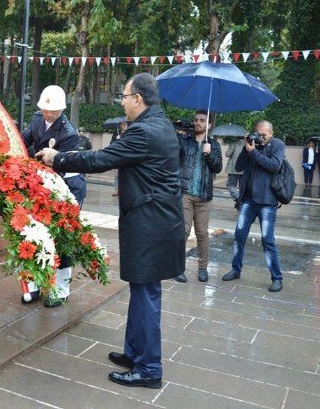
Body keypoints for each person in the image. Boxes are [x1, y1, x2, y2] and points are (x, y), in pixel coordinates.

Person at [37, 73, 184, 390]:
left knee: (146, 296)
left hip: (150, 225)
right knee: (140, 291)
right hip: (152, 222)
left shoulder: (145, 131)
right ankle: (135, 354)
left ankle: (149, 369)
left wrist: (57, 158)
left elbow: (101, 158)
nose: (122, 100)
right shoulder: (159, 124)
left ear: (138, 100)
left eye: (124, 95)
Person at [21, 84, 86, 308]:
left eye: (54, 111)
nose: (49, 114)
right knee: (34, 233)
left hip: (67, 185)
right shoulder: (37, 120)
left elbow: (58, 164)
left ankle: (62, 287)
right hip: (42, 182)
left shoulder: (68, 133)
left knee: (63, 237)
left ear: (62, 110)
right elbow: (25, 139)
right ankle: (35, 283)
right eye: (46, 110)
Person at [221, 120, 285, 292]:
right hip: (248, 200)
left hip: (267, 201)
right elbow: (238, 166)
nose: (261, 138)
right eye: (259, 134)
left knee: (267, 240)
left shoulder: (278, 144)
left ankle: (277, 278)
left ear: (271, 132)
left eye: (264, 135)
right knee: (239, 236)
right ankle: (236, 269)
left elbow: (274, 166)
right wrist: (246, 146)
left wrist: (254, 152)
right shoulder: (252, 144)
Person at [174, 111, 222, 283]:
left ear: (209, 125)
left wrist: (208, 154)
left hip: (204, 196)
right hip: (185, 193)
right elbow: (172, 155)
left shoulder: (214, 145)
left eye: (202, 120)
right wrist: (177, 134)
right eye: (196, 120)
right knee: (184, 231)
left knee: (202, 234)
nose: (197, 123)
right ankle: (178, 268)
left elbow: (217, 168)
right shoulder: (185, 141)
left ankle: (203, 268)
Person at [112, 120, 129, 196]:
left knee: (126, 174)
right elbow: (111, 144)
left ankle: (125, 190)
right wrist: (116, 140)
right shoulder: (116, 133)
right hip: (117, 157)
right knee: (116, 175)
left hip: (126, 157)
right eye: (122, 124)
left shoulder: (130, 133)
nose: (124, 125)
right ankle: (116, 189)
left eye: (125, 124)